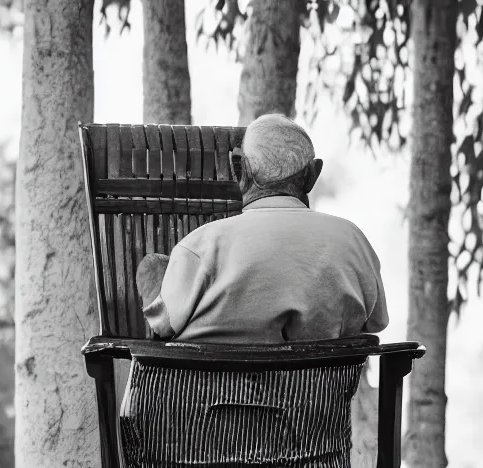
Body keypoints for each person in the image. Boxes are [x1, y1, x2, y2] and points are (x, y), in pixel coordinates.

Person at [136, 113, 388, 344]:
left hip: (216, 392)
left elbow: (163, 325)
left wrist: (153, 272)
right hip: (316, 392)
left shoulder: (200, 248)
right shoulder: (353, 242)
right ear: (313, 174)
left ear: (239, 168)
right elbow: (376, 321)